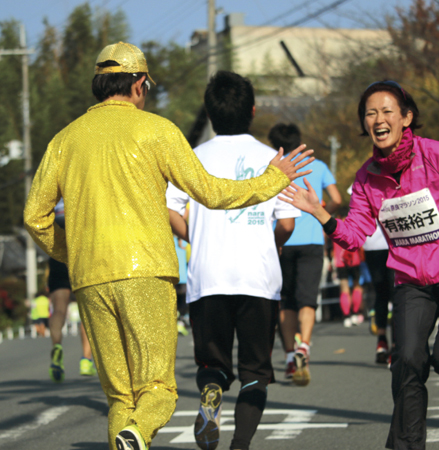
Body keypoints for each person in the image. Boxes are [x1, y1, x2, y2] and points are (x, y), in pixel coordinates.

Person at [23, 42, 313, 450]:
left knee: (120, 396)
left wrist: (75, 252)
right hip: (148, 272)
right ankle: (138, 434)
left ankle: (128, 436)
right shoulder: (157, 131)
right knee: (157, 388)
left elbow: (34, 217)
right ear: (139, 83)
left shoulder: (63, 141)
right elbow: (210, 193)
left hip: (90, 277)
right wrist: (271, 180)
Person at [280, 79, 439, 450]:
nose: (378, 119)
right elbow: (355, 235)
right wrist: (321, 213)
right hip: (410, 279)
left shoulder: (438, 154)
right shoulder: (366, 178)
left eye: (387, 111)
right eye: (370, 113)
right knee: (404, 360)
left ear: (406, 117)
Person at [167, 71, 301, 450]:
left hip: (207, 276)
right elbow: (287, 223)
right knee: (256, 371)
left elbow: (168, 210)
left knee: (213, 364)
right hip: (258, 275)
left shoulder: (192, 158)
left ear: (210, 114)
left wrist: (198, 236)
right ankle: (240, 443)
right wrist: (269, 241)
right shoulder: (274, 160)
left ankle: (212, 392)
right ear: (253, 111)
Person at [268, 123, 341, 386]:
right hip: (311, 239)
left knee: (285, 300)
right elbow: (336, 198)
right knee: (308, 299)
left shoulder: (273, 167)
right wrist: (319, 211)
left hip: (281, 240)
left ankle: (289, 355)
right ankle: (304, 349)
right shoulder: (318, 166)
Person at [47, 199, 96, 382]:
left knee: (59, 310)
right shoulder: (82, 176)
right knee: (85, 311)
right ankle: (86, 360)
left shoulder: (53, 183)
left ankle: (57, 347)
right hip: (79, 242)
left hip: (58, 243)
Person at [363, 224, 395, 363]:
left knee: (381, 293)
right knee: (397, 295)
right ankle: (395, 345)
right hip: (394, 240)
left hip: (372, 242)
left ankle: (382, 342)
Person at [333, 207, 364, 327]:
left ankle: (347, 316)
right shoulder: (354, 224)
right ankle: (356, 313)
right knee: (357, 286)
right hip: (354, 259)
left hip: (340, 261)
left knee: (344, 288)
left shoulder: (335, 224)